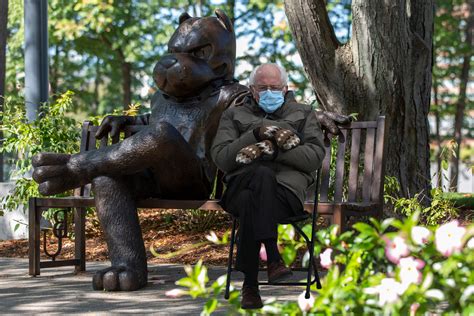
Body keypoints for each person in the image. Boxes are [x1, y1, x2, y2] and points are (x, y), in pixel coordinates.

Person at [211, 63, 325, 309]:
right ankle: (272, 256)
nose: (269, 92)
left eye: (275, 87)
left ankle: (250, 286)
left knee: (255, 190)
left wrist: (273, 153)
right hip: (238, 188)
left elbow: (313, 157)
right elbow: (221, 157)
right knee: (258, 179)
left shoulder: (304, 113)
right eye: (263, 88)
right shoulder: (233, 115)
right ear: (252, 90)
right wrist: (255, 134)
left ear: (285, 89)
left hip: (284, 195)